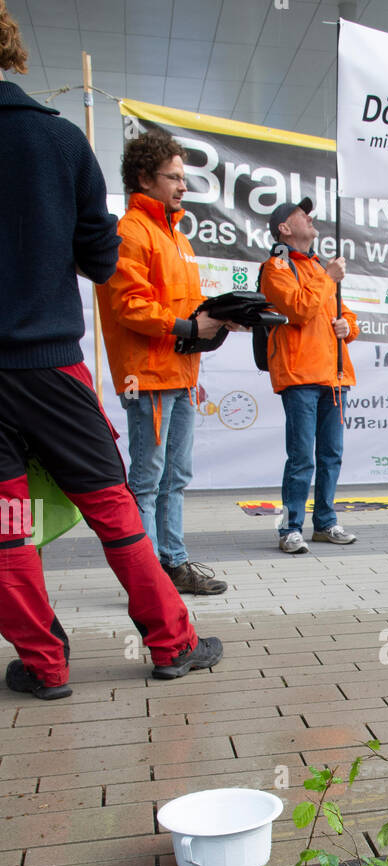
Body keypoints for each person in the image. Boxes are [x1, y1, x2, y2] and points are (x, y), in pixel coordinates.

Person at [0, 5, 221, 698]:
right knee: (115, 508)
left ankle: (44, 664)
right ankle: (169, 643)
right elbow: (101, 261)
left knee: (7, 527)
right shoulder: (59, 141)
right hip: (49, 369)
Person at [96, 131, 231, 595]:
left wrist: (224, 318)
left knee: (175, 477)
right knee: (148, 482)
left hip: (177, 372)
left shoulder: (176, 236)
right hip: (147, 377)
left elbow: (186, 308)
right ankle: (148, 577)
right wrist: (192, 328)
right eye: (172, 177)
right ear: (143, 178)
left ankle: (172, 564)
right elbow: (130, 306)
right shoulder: (130, 231)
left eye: (183, 177)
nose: (182, 186)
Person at [260, 199, 359, 554]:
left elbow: (345, 315)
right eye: (301, 214)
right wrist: (327, 277)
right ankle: (290, 528)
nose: (310, 218)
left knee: (331, 454)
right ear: (284, 228)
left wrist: (349, 326)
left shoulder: (320, 267)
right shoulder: (276, 267)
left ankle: (325, 523)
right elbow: (299, 309)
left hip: (334, 376)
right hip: (299, 375)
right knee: (302, 456)